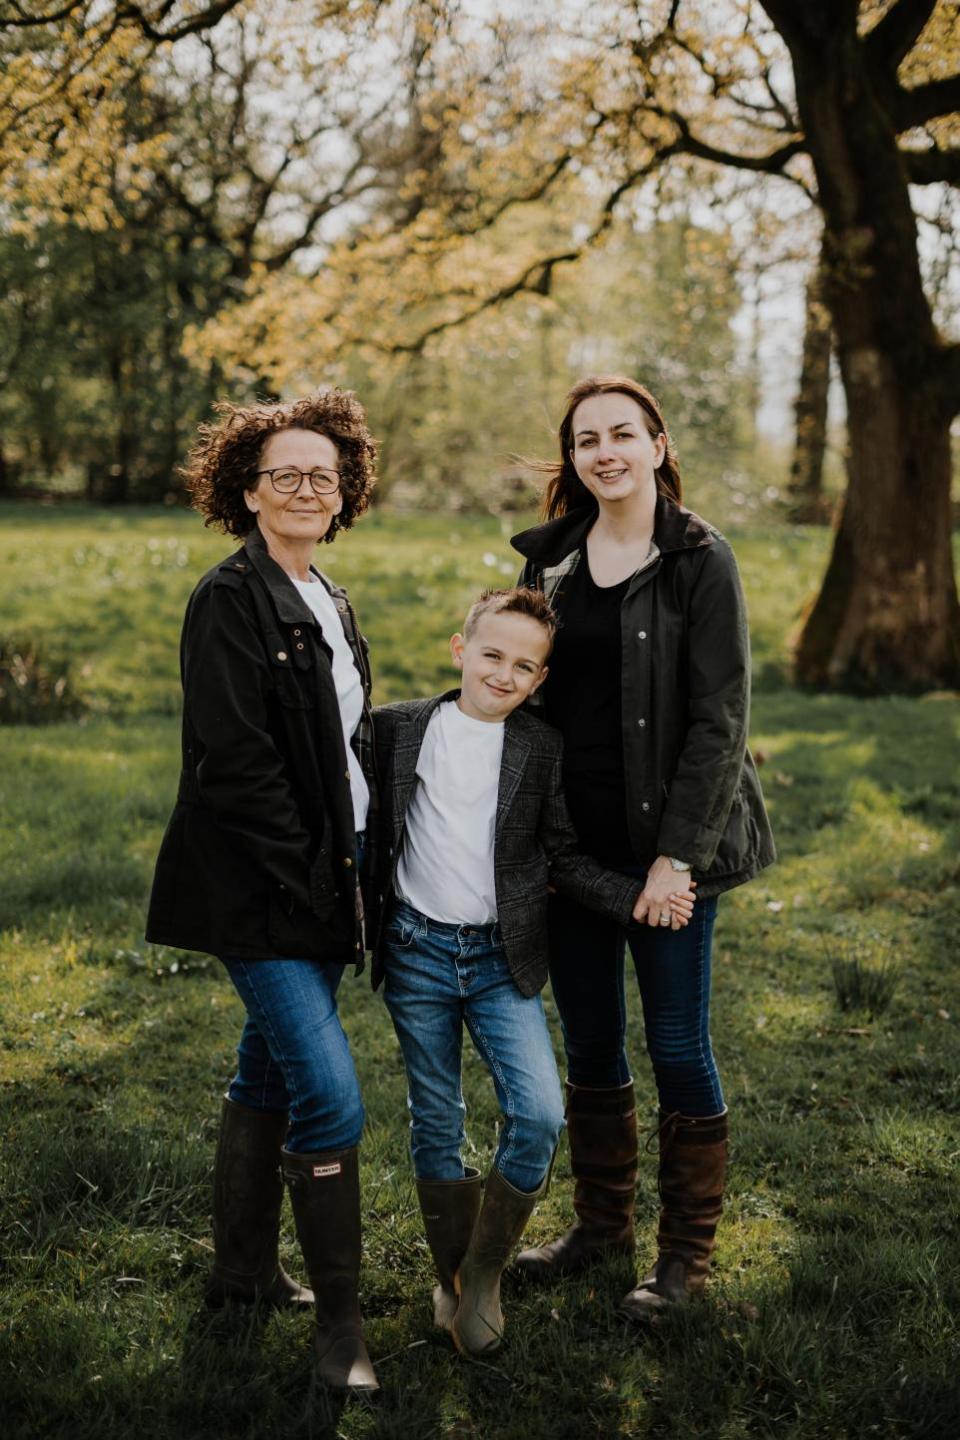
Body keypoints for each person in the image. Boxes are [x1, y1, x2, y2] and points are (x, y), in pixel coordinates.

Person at [369, 587, 695, 1356]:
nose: (504, 674)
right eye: (491, 656)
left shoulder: (539, 750)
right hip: (415, 950)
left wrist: (634, 898)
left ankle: (486, 1269)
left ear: (540, 679)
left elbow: (562, 854)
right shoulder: (397, 732)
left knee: (541, 1113)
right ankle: (453, 1279)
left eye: (524, 666)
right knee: (438, 1122)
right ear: (460, 648)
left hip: (496, 959)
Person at [510, 375, 775, 1317]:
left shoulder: (701, 556)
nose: (606, 452)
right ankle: (600, 1230)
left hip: (666, 853)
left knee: (675, 1041)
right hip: (572, 852)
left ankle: (684, 1263)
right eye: (587, 440)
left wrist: (677, 861)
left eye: (624, 434)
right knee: (589, 1042)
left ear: (658, 446)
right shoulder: (550, 565)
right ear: (574, 459)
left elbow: (719, 718)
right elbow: (525, 689)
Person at [146, 391, 381, 1392]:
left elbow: (344, 741)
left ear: (343, 496)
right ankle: (340, 1330)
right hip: (267, 889)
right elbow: (233, 766)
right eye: (283, 473)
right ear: (247, 490)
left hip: (332, 881)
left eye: (321, 475)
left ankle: (240, 1274)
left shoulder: (327, 595)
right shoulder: (230, 597)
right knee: (328, 1094)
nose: (303, 488)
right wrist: (317, 875)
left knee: (267, 1073)